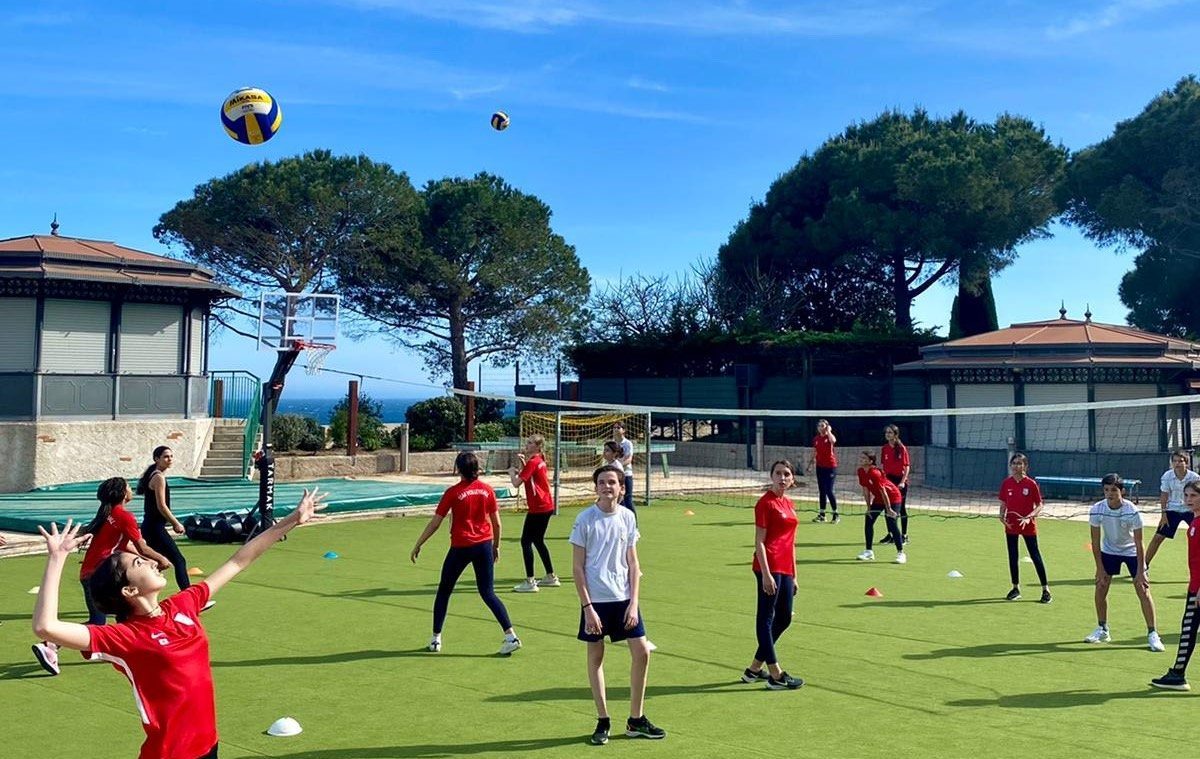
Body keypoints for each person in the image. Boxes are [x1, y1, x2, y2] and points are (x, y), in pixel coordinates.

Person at [32, 487, 326, 759]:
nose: (149, 561)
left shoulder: (182, 604)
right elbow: (45, 627)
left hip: (208, 745)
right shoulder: (124, 637)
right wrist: (56, 559)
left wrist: (292, 520)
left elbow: (238, 561)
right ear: (129, 591)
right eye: (137, 564)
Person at [32, 477, 173, 676]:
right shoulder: (124, 516)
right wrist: (161, 559)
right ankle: (51, 643)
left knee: (123, 610)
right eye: (129, 488)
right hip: (102, 575)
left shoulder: (107, 515)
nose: (131, 490)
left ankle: (132, 647)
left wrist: (148, 561)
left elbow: (126, 547)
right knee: (99, 622)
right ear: (123, 494)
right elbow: (140, 546)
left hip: (94, 573)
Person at [572, 464, 666, 745]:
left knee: (642, 653)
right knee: (596, 658)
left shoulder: (627, 517)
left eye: (612, 482)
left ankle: (636, 719)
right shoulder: (585, 519)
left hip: (624, 599)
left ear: (621, 488)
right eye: (601, 482)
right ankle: (603, 720)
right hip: (596, 601)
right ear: (596, 487)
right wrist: (587, 608)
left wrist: (634, 603)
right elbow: (577, 568)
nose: (606, 486)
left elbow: (633, 562)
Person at [411, 451, 522, 655]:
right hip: (484, 546)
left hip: (461, 547)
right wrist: (496, 546)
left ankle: (436, 639)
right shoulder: (487, 490)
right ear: (476, 468)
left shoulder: (453, 493)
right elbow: (496, 523)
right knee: (488, 593)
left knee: (444, 591)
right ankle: (510, 635)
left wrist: (419, 543)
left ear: (458, 469)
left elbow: (436, 523)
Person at [742, 460, 805, 690]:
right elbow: (759, 541)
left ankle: (754, 668)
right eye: (778, 473)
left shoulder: (789, 503)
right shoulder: (765, 504)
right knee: (766, 617)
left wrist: (794, 574)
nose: (782, 477)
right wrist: (766, 574)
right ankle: (776, 674)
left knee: (785, 617)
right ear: (771, 476)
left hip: (785, 568)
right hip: (767, 566)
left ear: (792, 479)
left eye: (786, 474)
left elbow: (792, 543)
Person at [1084, 473, 1164, 651]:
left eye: (1113, 490)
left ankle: (1153, 634)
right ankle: (1102, 629)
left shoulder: (1132, 511)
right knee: (1100, 587)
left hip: (1131, 552)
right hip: (1109, 551)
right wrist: (1100, 568)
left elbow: (1139, 543)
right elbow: (1095, 542)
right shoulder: (1097, 509)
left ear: (1122, 491)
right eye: (1106, 490)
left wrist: (1141, 570)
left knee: (1143, 590)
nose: (1109, 493)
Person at [1150, 479, 1200, 690]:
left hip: (1198, 589)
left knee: (1188, 629)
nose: (1188, 500)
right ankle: (1178, 673)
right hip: (1194, 586)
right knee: (1188, 629)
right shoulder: (1194, 523)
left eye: (1194, 496)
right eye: (1186, 495)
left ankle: (1178, 674)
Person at [997, 454, 1051, 603]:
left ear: (1025, 466)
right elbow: (1003, 503)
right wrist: (1001, 516)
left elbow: (1040, 505)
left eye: (1019, 463)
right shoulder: (1006, 483)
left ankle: (1046, 590)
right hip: (1012, 525)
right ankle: (1015, 588)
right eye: (1014, 463)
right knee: (1012, 557)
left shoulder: (1031, 484)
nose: (1016, 466)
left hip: (1027, 525)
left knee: (1035, 556)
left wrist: (1029, 517)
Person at [508, 435, 560, 592]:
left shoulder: (533, 462)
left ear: (538, 447)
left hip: (538, 507)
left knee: (525, 542)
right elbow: (531, 477)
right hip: (545, 505)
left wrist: (511, 472)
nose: (527, 444)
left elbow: (516, 483)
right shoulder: (539, 460)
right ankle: (551, 576)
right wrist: (523, 464)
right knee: (538, 540)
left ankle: (530, 581)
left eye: (530, 443)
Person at [137, 446, 191, 592]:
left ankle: (137, 596)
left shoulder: (155, 475)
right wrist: (176, 523)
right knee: (179, 561)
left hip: (150, 526)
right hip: (155, 528)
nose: (170, 459)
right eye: (166, 457)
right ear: (156, 459)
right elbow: (162, 506)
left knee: (155, 564)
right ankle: (190, 598)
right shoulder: (158, 477)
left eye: (171, 456)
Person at [1146, 450, 1200, 573]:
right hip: (1172, 510)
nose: (1177, 464)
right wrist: (1163, 514)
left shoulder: (1195, 477)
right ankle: (1144, 566)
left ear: (1186, 463)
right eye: (1174, 461)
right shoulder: (1167, 476)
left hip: (1190, 510)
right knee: (1158, 537)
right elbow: (1164, 495)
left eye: (1180, 461)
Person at [856, 452, 906, 563]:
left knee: (891, 523)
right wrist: (869, 508)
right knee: (869, 520)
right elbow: (866, 490)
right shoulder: (860, 472)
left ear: (870, 461)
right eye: (861, 457)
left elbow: (883, 491)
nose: (861, 459)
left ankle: (901, 553)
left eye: (864, 458)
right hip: (879, 498)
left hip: (892, 497)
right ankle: (869, 552)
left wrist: (889, 509)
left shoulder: (875, 473)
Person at [880, 424, 910, 544]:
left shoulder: (901, 448)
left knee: (900, 509)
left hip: (899, 481)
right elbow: (884, 466)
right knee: (888, 507)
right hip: (888, 480)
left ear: (895, 434)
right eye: (886, 432)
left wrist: (902, 482)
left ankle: (904, 535)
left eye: (890, 432)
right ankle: (891, 534)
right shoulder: (885, 448)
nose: (888, 434)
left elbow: (907, 466)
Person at [808, 420, 839, 524]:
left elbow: (833, 440)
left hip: (830, 467)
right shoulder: (816, 439)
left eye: (823, 426)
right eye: (819, 426)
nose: (821, 428)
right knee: (822, 491)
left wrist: (829, 431)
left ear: (827, 427)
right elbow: (815, 452)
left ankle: (836, 514)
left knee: (829, 490)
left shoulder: (829, 437)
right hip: (820, 467)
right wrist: (810, 464)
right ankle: (822, 515)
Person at [613, 422, 635, 513]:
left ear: (623, 430)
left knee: (627, 499)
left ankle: (634, 525)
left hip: (626, 475)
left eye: (618, 427)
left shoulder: (628, 444)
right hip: (615, 475)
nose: (616, 429)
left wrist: (618, 466)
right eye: (614, 427)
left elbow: (629, 459)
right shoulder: (612, 444)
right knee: (618, 500)